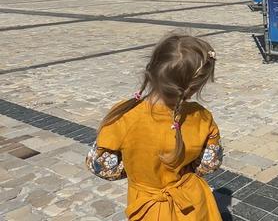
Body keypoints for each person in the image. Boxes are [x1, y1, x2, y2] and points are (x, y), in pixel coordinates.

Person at [85, 33, 224, 220]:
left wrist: (138, 171)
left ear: (153, 69)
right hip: (191, 206)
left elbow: (100, 166)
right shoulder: (201, 117)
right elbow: (208, 165)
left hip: (145, 207)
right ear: (192, 88)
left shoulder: (123, 114)